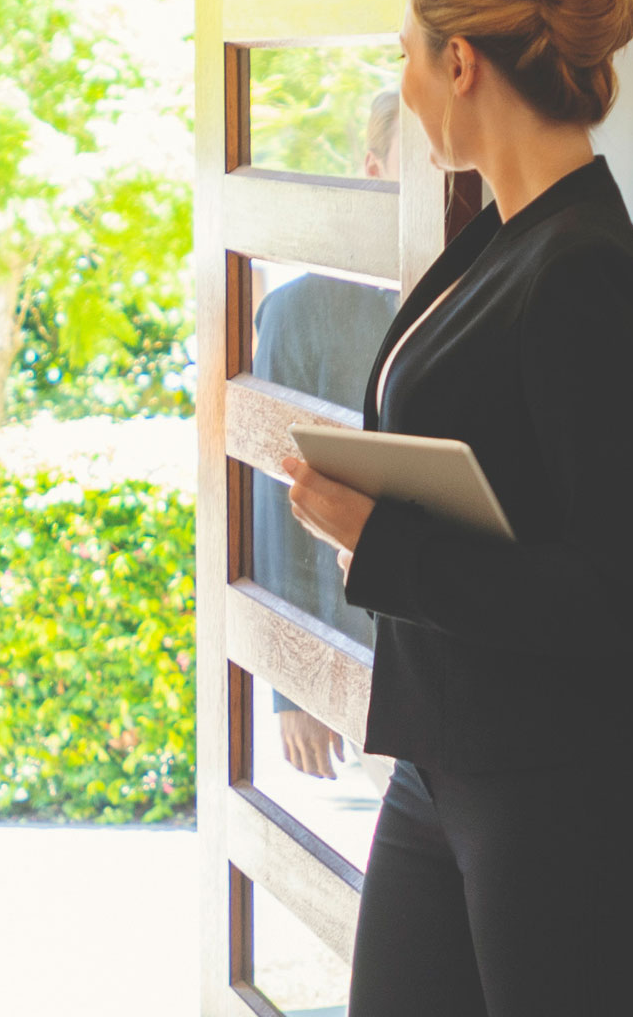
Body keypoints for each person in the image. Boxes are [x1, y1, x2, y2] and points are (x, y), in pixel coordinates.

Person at [282, 0, 633, 1016]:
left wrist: (379, 538)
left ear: (457, 61)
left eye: (405, 57)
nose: (407, 86)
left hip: (566, 791)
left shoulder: (585, 270)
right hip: (444, 764)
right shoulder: (506, 239)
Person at [253, 88, 404, 778]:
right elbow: (275, 498)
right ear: (373, 172)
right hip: (349, 658)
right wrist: (294, 683)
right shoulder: (302, 309)